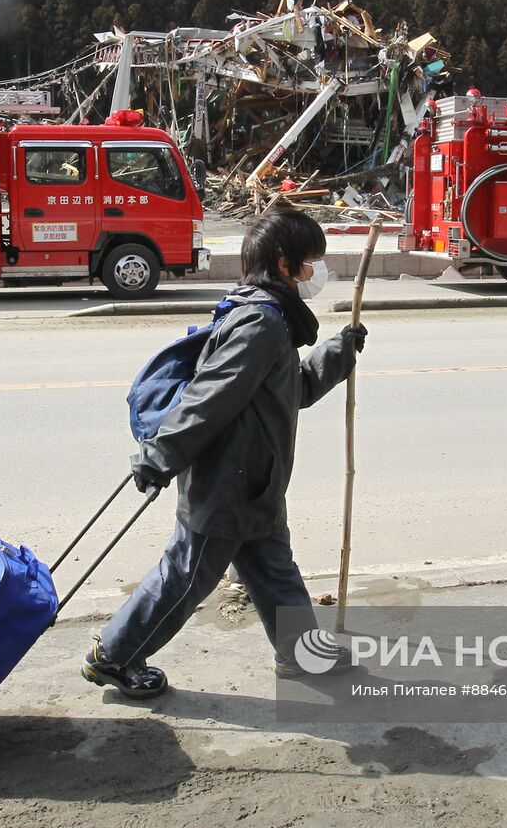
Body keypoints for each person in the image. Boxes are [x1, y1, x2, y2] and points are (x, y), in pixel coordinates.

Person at [82, 204, 367, 698]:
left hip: (253, 481)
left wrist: (338, 353)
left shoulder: (264, 315)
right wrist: (159, 455)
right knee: (186, 576)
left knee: (274, 569)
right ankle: (114, 654)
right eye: (310, 262)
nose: (315, 273)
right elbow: (207, 398)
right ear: (284, 264)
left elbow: (289, 390)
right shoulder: (262, 323)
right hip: (230, 484)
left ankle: (302, 655)